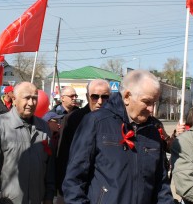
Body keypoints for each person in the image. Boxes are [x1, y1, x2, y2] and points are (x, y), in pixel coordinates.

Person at [62, 70, 174, 203]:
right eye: (147, 102)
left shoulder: (153, 131)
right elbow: (74, 181)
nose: (151, 109)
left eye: (154, 103)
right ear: (127, 97)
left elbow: (161, 186)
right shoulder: (96, 122)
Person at [0, 82, 55, 204]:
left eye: (34, 98)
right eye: (27, 98)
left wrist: (48, 197)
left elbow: (49, 169)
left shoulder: (44, 128)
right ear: (15, 99)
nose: (31, 103)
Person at [56, 79, 110, 202]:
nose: (100, 102)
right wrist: (62, 193)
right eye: (95, 97)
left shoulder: (114, 121)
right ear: (87, 96)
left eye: (105, 97)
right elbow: (63, 156)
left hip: (101, 191)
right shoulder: (73, 119)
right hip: (75, 189)